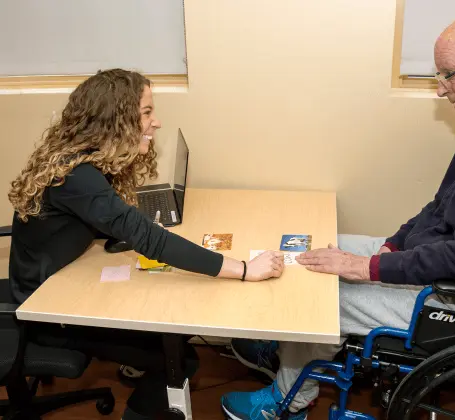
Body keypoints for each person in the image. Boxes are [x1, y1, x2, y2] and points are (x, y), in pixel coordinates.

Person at [220, 7, 455, 420]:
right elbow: (441, 205)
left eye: (449, 73)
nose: (441, 88)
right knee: (309, 254)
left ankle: (288, 401)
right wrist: (392, 245)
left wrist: (369, 267)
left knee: (320, 294)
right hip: (447, 268)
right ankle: (294, 349)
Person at [4, 68, 285, 419]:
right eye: (147, 113)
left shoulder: (85, 158)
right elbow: (148, 239)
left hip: (66, 278)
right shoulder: (76, 176)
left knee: (171, 321)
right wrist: (243, 270)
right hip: (47, 310)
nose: (157, 122)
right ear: (115, 121)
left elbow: (111, 220)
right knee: (179, 361)